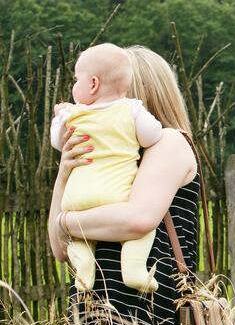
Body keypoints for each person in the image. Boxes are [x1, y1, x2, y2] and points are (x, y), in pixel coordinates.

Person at [36, 45, 199, 325]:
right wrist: (65, 173)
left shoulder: (171, 142)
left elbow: (137, 219)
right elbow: (60, 250)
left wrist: (65, 221)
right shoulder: (111, 163)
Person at [51, 43, 162, 293]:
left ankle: (83, 268)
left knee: (79, 239)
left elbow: (57, 141)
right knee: (140, 235)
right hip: (116, 194)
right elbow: (152, 135)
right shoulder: (130, 109)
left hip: (76, 198)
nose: (73, 85)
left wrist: (60, 117)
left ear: (92, 84)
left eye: (75, 79)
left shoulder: (75, 114)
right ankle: (134, 269)